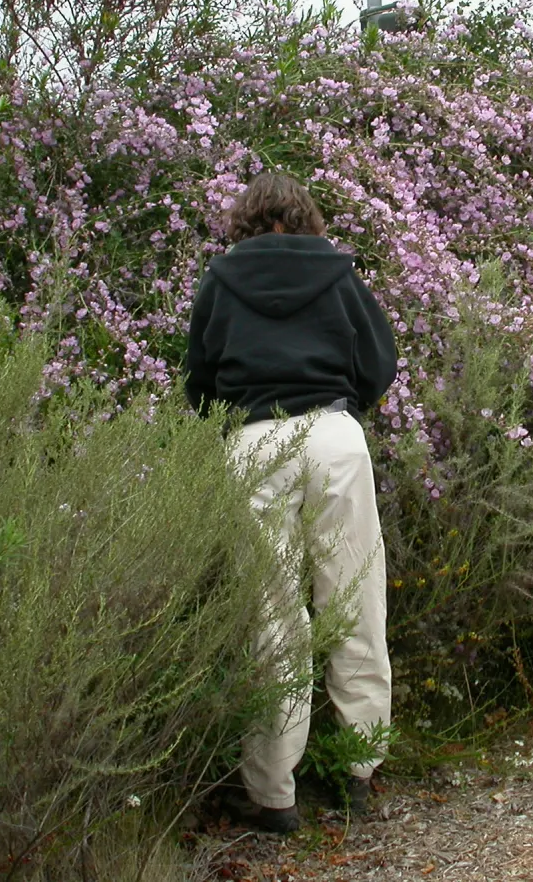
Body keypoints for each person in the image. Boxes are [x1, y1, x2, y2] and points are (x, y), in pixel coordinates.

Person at [184, 171, 398, 833]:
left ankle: (274, 796)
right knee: (355, 597)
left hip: (253, 442)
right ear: (305, 218)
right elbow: (380, 363)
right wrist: (344, 401)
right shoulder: (339, 275)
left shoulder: (221, 281)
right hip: (335, 436)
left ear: (246, 221)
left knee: (270, 616)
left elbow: (200, 378)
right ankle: (359, 771)